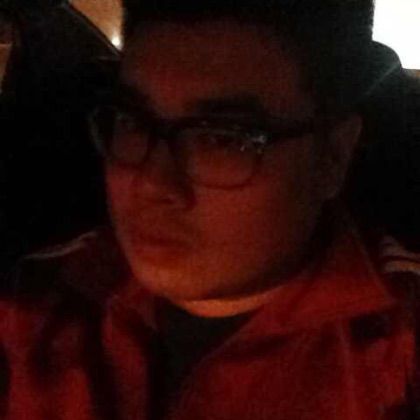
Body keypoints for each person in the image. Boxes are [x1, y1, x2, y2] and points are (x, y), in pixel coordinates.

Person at [1, 1, 419, 419]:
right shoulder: (32, 302)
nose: (152, 183)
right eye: (132, 122)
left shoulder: (401, 348)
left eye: (223, 138)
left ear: (332, 157)